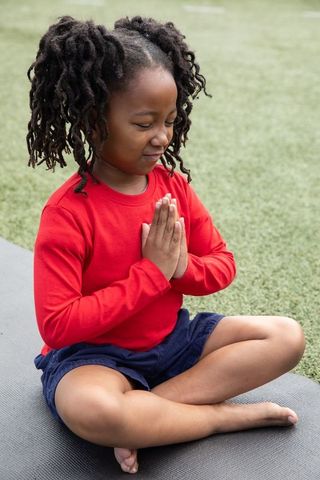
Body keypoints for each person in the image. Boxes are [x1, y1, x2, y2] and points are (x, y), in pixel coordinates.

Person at [27, 15, 305, 475]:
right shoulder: (67, 214)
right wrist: (151, 274)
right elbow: (58, 326)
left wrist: (179, 269)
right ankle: (215, 418)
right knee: (96, 410)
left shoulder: (172, 187)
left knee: (285, 336)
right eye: (144, 123)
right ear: (94, 121)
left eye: (170, 120)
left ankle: (151, 415)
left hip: (174, 342)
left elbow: (222, 264)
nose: (162, 137)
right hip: (96, 358)